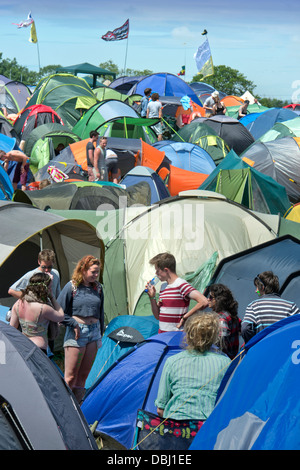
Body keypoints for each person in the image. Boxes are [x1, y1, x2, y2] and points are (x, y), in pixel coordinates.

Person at [155, 312, 231, 420]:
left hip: (176, 428)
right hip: (209, 427)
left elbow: (160, 409)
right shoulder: (225, 362)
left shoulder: (172, 361)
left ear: (188, 335)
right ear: (214, 336)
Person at [57, 255, 104, 404]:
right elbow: (58, 311)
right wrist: (72, 323)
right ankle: (64, 405)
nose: (96, 275)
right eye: (93, 272)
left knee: (83, 376)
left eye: (98, 272)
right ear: (83, 269)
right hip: (77, 332)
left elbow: (101, 311)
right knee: (70, 376)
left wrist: (100, 332)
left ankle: (77, 407)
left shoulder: (98, 287)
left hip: (94, 332)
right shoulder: (72, 286)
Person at [146, 252, 208, 333]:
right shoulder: (163, 287)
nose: (156, 274)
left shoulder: (181, 284)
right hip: (162, 334)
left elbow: (204, 301)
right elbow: (157, 316)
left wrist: (185, 317)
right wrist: (152, 297)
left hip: (176, 335)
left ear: (166, 270)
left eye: (157, 271)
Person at [9, 272, 64, 355]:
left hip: (23, 345)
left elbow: (12, 328)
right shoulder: (43, 308)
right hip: (39, 349)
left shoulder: (18, 303)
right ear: (45, 289)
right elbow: (61, 316)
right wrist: (52, 297)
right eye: (50, 287)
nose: (50, 289)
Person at [241, 271, 300, 343]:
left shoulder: (254, 306)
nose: (256, 291)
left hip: (261, 350)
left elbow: (245, 328)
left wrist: (252, 344)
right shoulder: (291, 306)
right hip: (283, 351)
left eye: (257, 287)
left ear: (262, 287)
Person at [207, 284, 241, 359]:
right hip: (231, 358)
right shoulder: (232, 315)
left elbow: (221, 341)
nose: (208, 299)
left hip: (220, 358)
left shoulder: (221, 317)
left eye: (210, 297)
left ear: (218, 299)